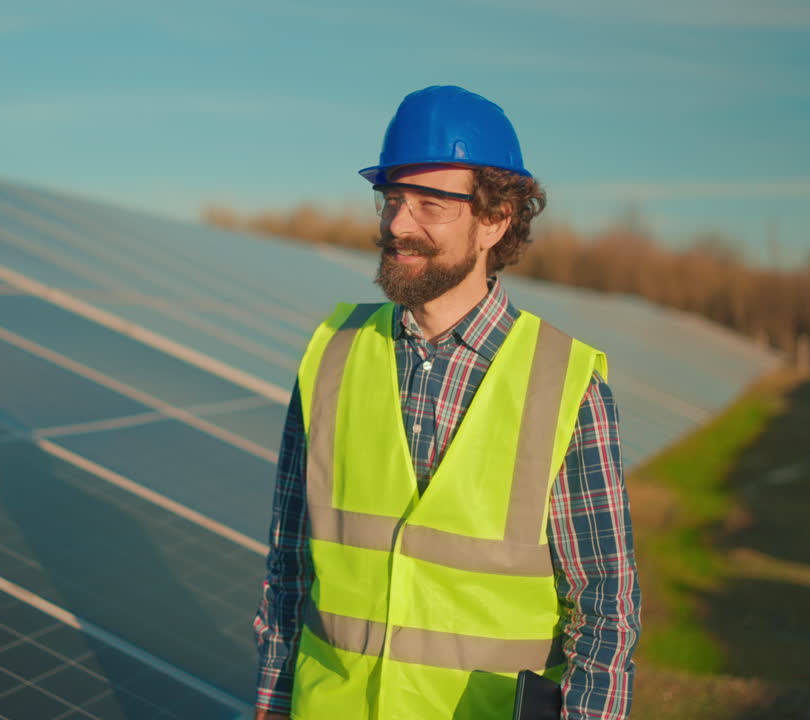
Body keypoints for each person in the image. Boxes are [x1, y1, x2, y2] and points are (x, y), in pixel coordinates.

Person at [252, 85, 641, 720]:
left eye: (430, 204)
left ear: (496, 220)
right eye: (391, 199)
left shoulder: (566, 383)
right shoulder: (332, 353)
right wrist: (271, 702)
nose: (397, 224)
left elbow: (605, 611)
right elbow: (290, 566)